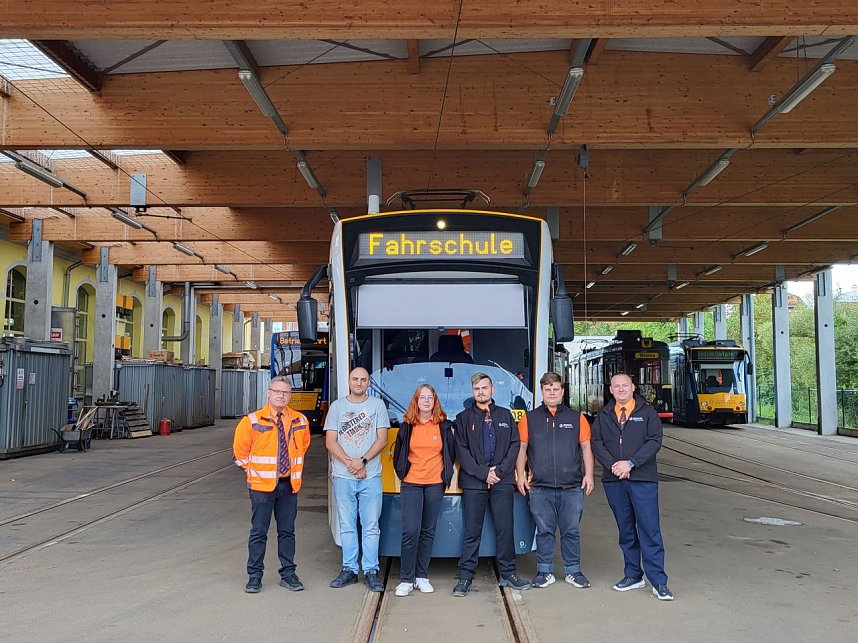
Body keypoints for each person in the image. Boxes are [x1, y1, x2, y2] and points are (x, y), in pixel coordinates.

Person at [591, 372, 674, 601]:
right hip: (614, 480)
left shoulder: (647, 413)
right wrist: (613, 466)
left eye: (624, 385)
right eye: (616, 386)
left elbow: (654, 441)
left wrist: (631, 463)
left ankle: (659, 582)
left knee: (649, 530)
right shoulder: (603, 415)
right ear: (610, 390)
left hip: (643, 479)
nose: (620, 389)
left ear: (633, 387)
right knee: (626, 531)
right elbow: (596, 443)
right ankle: (633, 575)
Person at [515, 372, 595, 589]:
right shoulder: (529, 419)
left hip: (572, 488)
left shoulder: (577, 418)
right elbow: (521, 448)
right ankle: (544, 572)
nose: (552, 393)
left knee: (571, 531)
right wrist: (521, 475)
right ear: (541, 392)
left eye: (555, 389)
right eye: (547, 389)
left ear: (562, 391)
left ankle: (573, 571)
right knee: (544, 531)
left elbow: (586, 447)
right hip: (540, 488)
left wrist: (589, 475)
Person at [453, 372, 529, 596]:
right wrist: (484, 473)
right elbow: (462, 452)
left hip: (503, 481)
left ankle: (508, 574)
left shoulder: (506, 416)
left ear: (493, 390)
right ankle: (465, 577)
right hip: (474, 483)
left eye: (484, 388)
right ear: (472, 392)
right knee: (471, 531)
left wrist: (500, 472)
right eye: (477, 389)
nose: (481, 392)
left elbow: (514, 445)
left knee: (505, 528)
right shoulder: (463, 418)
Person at [233, 376, 311, 594]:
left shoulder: (300, 421)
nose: (281, 395)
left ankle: (288, 574)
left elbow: (303, 446)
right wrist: (256, 473)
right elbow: (239, 454)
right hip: (261, 488)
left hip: (288, 486)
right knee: (259, 531)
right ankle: (254, 576)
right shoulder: (252, 421)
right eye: (277, 391)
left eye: (285, 392)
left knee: (287, 532)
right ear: (268, 393)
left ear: (290, 395)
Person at [325, 367, 390, 592]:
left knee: (371, 525)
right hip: (344, 476)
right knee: (347, 525)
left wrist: (361, 461)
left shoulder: (377, 406)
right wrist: (351, 463)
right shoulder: (337, 407)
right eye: (355, 379)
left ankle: (371, 570)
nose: (359, 383)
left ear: (368, 383)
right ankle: (350, 569)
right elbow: (330, 442)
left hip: (371, 476)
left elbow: (382, 439)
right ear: (349, 381)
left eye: (363, 380)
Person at [392, 384, 456, 597]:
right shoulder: (407, 426)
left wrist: (443, 476)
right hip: (411, 483)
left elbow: (451, 452)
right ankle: (406, 579)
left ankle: (421, 576)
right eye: (422, 397)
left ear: (435, 401)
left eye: (430, 397)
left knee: (428, 531)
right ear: (416, 401)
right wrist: (403, 473)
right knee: (410, 531)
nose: (426, 401)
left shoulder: (444, 426)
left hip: (435, 484)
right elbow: (399, 452)